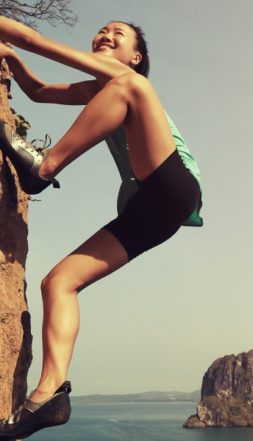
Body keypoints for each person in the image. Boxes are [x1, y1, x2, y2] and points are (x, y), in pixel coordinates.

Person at [0, 16, 203, 439]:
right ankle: (47, 396)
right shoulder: (102, 91)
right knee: (57, 283)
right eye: (102, 31)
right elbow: (38, 92)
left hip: (174, 187)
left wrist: (24, 41)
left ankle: (45, 166)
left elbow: (37, 39)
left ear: (135, 55)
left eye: (118, 34)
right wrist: (13, 62)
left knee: (132, 87)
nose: (105, 35)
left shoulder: (129, 82)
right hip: (147, 209)